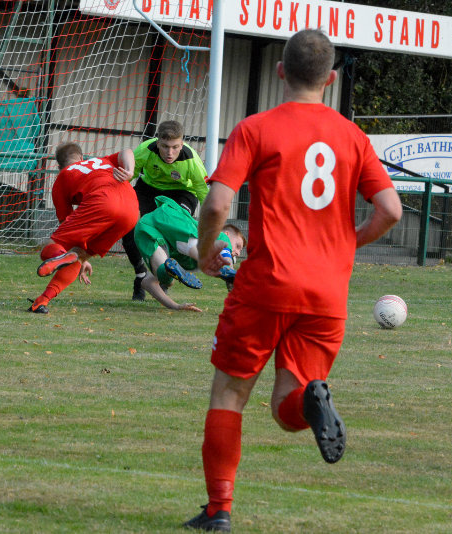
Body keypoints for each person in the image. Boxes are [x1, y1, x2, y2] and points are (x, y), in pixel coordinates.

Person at [184, 29, 403, 532]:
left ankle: (219, 510)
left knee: (229, 395)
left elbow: (217, 205)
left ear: (281, 71)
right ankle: (310, 399)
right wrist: (348, 243)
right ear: (331, 79)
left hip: (265, 284)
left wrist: (206, 249)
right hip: (327, 293)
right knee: (288, 409)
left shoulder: (256, 128)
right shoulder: (352, 136)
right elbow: (390, 209)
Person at [27, 142, 138, 314]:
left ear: (59, 166)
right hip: (132, 211)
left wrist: (66, 252)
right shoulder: (101, 160)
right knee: (79, 256)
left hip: (103, 201)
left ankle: (64, 258)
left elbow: (66, 224)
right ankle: (42, 301)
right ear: (81, 157)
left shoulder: (63, 177)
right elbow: (127, 151)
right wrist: (130, 171)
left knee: (50, 247)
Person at [121, 120, 210, 301]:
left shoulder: (192, 160)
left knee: (170, 229)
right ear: (158, 143)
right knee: (129, 225)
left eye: (175, 147)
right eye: (165, 147)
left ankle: (164, 275)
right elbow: (128, 176)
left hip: (182, 193)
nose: (170, 153)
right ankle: (140, 274)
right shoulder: (145, 150)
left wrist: (212, 223)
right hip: (148, 189)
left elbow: (203, 192)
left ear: (182, 144)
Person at [134, 195, 245, 312]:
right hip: (170, 216)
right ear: (227, 233)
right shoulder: (220, 236)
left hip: (146, 227)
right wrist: (231, 276)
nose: (238, 252)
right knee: (191, 244)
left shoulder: (184, 262)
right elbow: (226, 261)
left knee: (165, 275)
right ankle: (210, 262)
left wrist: (176, 306)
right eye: (238, 245)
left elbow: (148, 283)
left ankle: (169, 271)